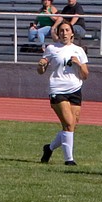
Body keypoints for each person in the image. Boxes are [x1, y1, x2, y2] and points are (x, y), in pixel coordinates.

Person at [38, 21, 89, 166]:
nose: (64, 33)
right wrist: (41, 65)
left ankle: (49, 148)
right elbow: (41, 70)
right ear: (58, 33)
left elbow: (85, 75)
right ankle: (69, 160)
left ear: (72, 33)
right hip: (58, 89)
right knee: (68, 123)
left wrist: (79, 64)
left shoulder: (79, 50)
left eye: (67, 30)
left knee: (72, 126)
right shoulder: (52, 48)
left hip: (75, 89)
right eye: (61, 31)